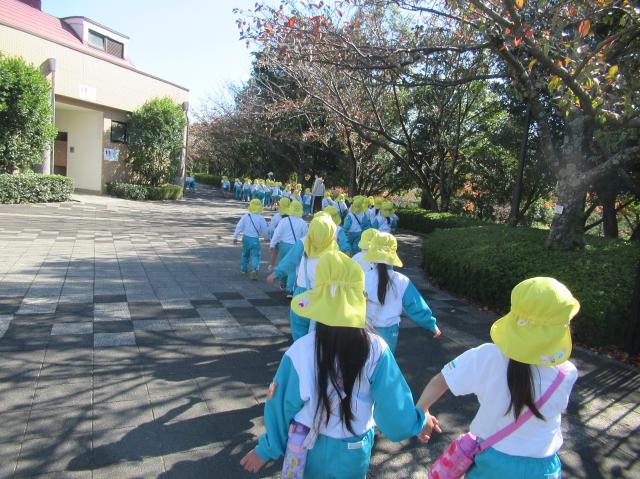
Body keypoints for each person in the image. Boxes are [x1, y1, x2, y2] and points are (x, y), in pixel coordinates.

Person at [240, 251, 432, 479]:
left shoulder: (301, 350)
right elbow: (395, 413)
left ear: (319, 302)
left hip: (307, 447)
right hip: (354, 448)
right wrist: (419, 420)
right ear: (360, 301)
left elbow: (280, 406)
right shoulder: (377, 349)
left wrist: (266, 449)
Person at [416, 277, 580, 479]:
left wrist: (422, 411)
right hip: (543, 468)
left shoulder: (487, 356)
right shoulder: (567, 373)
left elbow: (440, 381)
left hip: (492, 461)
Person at [363, 232, 440, 353]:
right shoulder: (402, 281)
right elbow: (416, 306)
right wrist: (431, 325)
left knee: (367, 361)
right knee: (387, 361)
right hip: (390, 332)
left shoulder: (363, 278)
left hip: (367, 329)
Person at [267, 213, 337, 340]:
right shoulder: (334, 247)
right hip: (325, 295)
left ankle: (300, 349)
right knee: (321, 332)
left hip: (304, 293)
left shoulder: (303, 242)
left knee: (299, 328)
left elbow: (290, 260)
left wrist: (276, 273)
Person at [269, 201, 308, 297]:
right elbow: (306, 236)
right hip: (296, 246)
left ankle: (283, 283)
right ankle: (290, 289)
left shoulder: (284, 220)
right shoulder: (303, 222)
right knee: (293, 268)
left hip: (284, 245)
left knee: (283, 263)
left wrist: (272, 244)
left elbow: (277, 233)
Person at [232, 199, 268, 280]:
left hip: (245, 238)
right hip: (255, 239)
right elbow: (265, 229)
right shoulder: (261, 218)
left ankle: (243, 269)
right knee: (255, 255)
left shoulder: (245, 216)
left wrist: (235, 237)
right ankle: (254, 269)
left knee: (245, 254)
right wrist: (266, 237)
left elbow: (239, 227)